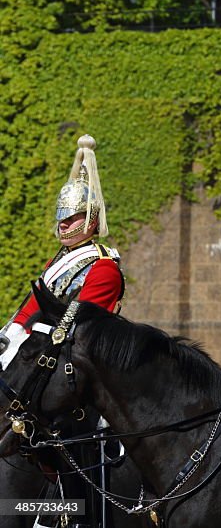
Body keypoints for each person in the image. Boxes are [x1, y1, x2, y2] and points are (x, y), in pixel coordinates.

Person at [1, 134, 124, 366]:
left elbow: (75, 330)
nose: (64, 224)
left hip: (67, 361)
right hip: (37, 347)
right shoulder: (57, 260)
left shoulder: (103, 267)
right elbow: (31, 309)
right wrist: (12, 334)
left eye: (73, 218)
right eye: (62, 217)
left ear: (91, 221)